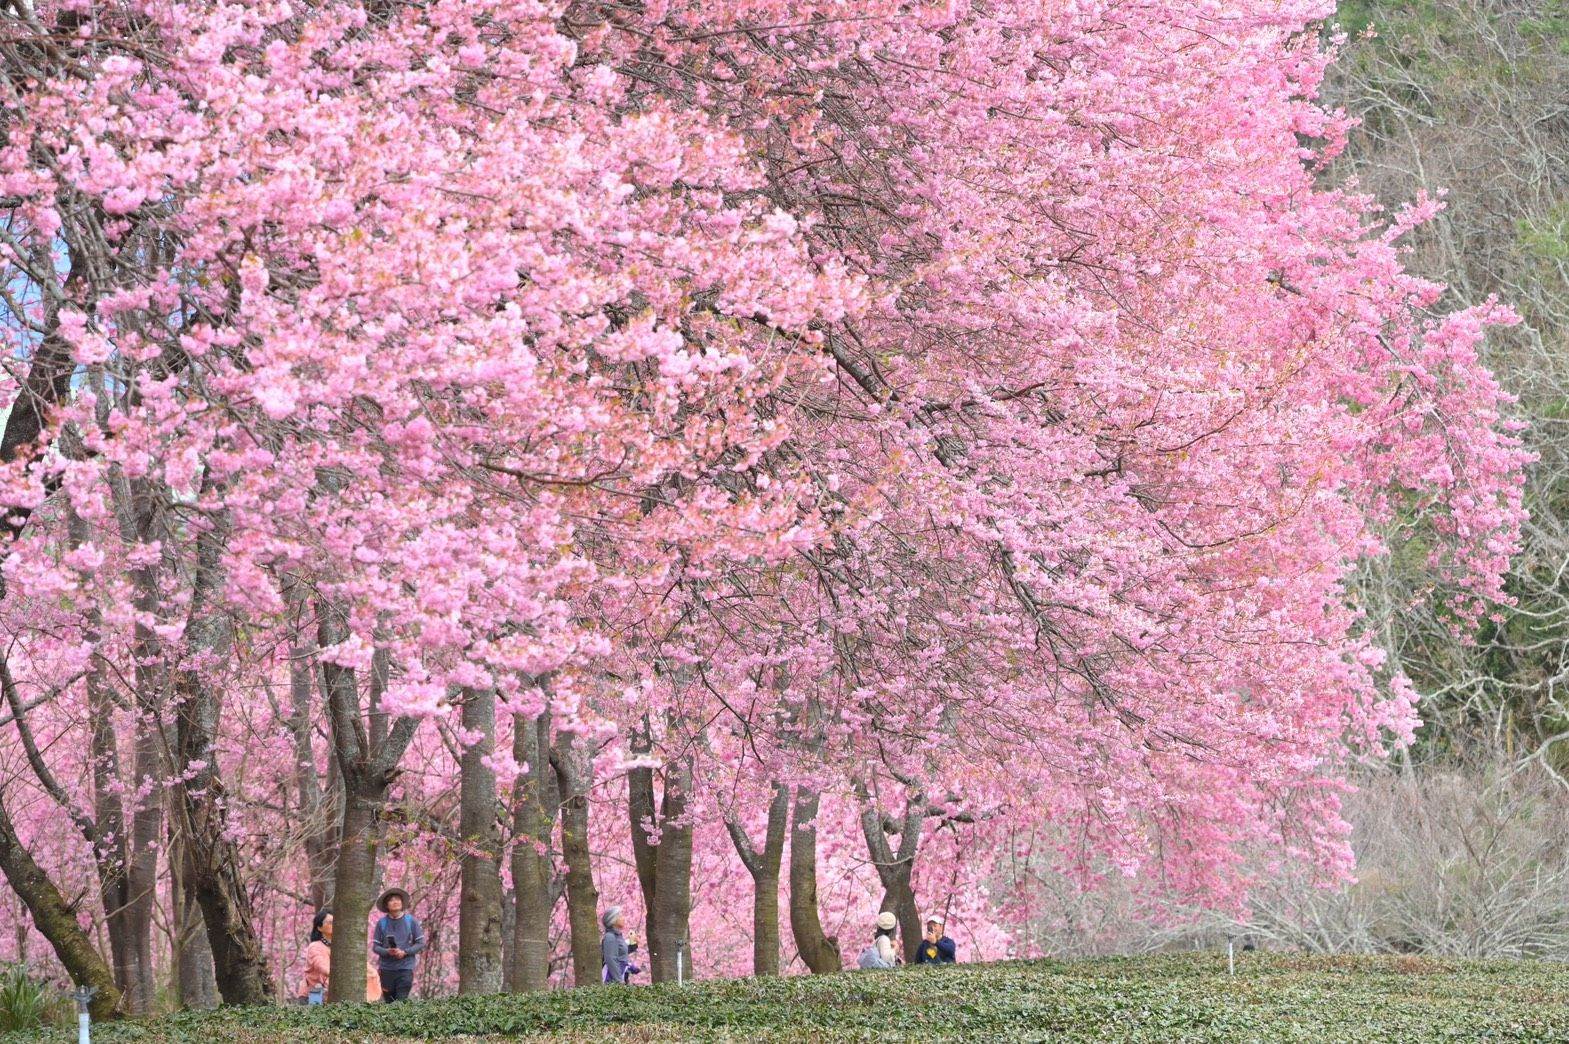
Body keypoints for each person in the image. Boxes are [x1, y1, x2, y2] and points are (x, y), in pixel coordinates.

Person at [299, 908, 382, 1003]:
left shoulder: (343, 947)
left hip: (337, 994)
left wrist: (370, 973)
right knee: (316, 1016)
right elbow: (323, 968)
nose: (334, 925)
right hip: (315, 993)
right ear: (319, 927)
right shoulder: (315, 947)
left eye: (336, 922)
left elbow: (363, 966)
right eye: (330, 922)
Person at [372, 888, 427, 1002]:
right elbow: (376, 947)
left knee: (401, 1001)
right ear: (387, 905)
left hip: (405, 968)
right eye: (391, 900)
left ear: (402, 903)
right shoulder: (381, 923)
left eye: (397, 899)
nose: (395, 902)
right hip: (386, 969)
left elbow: (420, 943)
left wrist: (405, 952)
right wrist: (388, 952)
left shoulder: (411, 921)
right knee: (389, 1002)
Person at [600, 906, 641, 984]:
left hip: (620, 977)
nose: (623, 918)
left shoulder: (617, 936)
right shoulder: (610, 937)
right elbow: (611, 959)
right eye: (620, 916)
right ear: (613, 920)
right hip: (612, 980)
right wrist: (619, 981)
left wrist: (634, 945)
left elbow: (620, 953)